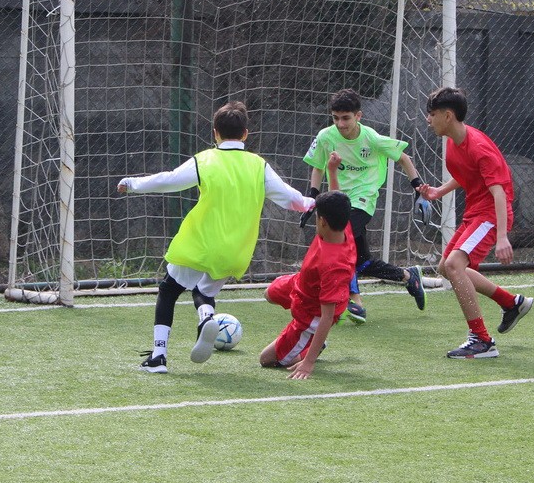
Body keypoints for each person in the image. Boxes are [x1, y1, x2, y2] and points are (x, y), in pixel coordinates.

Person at [117, 101, 315, 372]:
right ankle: (206, 317)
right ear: (245, 134)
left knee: (169, 290)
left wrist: (132, 184)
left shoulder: (206, 160)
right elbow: (289, 197)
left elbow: (169, 180)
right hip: (235, 251)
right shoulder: (259, 166)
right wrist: (311, 203)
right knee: (204, 290)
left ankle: (158, 357)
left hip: (199, 243)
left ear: (215, 133)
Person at [415, 87, 534, 359]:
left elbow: (499, 192)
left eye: (432, 114)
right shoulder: (453, 140)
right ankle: (510, 303)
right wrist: (437, 192)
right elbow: (466, 175)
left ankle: (482, 340)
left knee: (455, 265)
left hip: (491, 214)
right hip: (477, 212)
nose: (428, 119)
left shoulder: (479, 146)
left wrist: (502, 236)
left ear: (448, 116)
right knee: (446, 267)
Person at [301, 88, 426, 324]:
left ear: (358, 116)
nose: (340, 123)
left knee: (340, 240)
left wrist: (417, 186)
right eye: (336, 118)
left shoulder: (371, 138)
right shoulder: (326, 136)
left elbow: (403, 158)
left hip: (363, 200)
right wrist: (312, 199)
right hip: (338, 199)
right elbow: (317, 166)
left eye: (345, 118)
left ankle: (353, 302)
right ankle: (409, 277)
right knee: (363, 261)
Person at [260, 189, 357, 379]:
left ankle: (313, 346)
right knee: (269, 294)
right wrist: (333, 169)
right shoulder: (342, 227)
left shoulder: (334, 266)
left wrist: (308, 363)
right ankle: (307, 342)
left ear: (322, 221)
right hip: (301, 283)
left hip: (311, 312)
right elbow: (336, 197)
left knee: (266, 359)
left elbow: (326, 318)